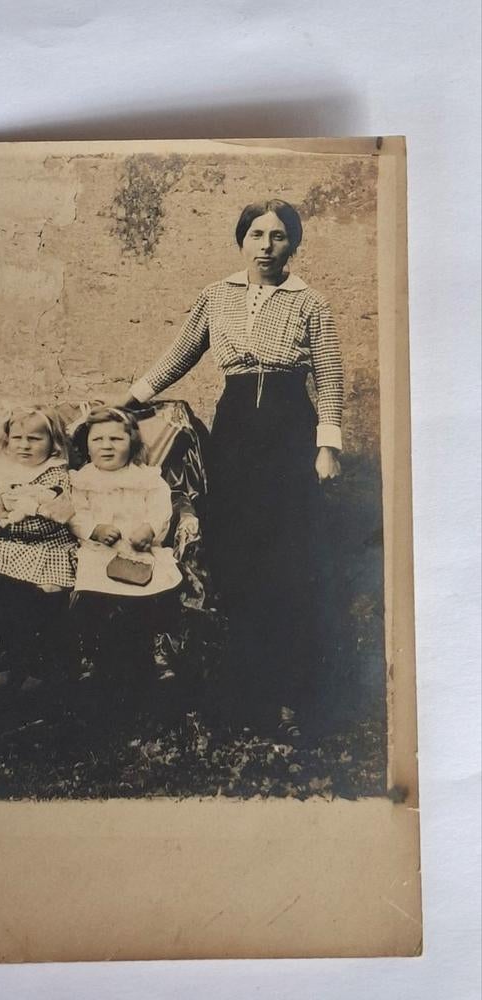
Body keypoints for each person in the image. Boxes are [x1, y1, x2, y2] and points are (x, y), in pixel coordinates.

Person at [120, 200, 343, 737]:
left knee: (289, 559)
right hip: (236, 429)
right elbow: (180, 354)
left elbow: (331, 377)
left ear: (293, 244)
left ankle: (289, 698)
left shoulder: (310, 303)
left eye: (278, 236)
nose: (266, 246)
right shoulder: (216, 296)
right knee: (236, 553)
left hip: (289, 429)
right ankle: (240, 693)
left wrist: (327, 447)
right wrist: (129, 399)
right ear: (241, 241)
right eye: (256, 235)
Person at [0, 403, 77, 690]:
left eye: (35, 439)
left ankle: (37, 670)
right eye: (18, 438)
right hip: (2, 552)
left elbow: (48, 522)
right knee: (0, 608)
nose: (24, 445)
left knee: (42, 612)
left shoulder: (55, 475)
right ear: (7, 439)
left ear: (53, 443)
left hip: (44, 553)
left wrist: (0, 520)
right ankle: (3, 663)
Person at [68, 407, 182, 698]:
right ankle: (93, 654)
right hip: (99, 551)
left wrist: (149, 528)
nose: (106, 446)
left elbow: (161, 509)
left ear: (132, 442)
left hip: (137, 550)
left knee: (152, 594)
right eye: (98, 439)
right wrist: (94, 529)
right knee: (93, 594)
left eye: (116, 439)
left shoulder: (147, 478)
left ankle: (152, 650)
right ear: (86, 444)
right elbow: (76, 514)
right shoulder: (82, 480)